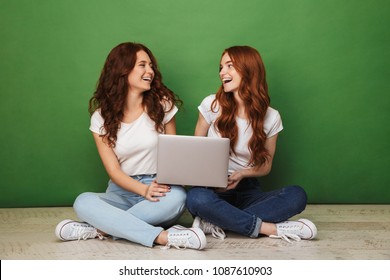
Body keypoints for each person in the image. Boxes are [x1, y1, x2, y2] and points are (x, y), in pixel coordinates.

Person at [55, 42, 206, 250]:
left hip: (159, 188)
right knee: (83, 201)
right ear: (122, 70)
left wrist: (156, 186)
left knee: (178, 198)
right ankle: (163, 237)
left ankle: (101, 229)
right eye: (142, 65)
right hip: (121, 191)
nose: (150, 71)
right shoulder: (101, 118)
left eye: (151, 65)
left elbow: (173, 156)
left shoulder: (162, 105)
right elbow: (114, 171)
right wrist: (142, 190)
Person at [186, 45, 317, 243]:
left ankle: (218, 220)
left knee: (296, 195)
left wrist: (243, 174)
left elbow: (266, 166)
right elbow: (195, 154)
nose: (222, 72)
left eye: (229, 66)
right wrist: (212, 179)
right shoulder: (211, 105)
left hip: (247, 190)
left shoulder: (271, 117)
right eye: (221, 67)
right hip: (212, 189)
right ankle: (269, 228)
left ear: (248, 69)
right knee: (196, 199)